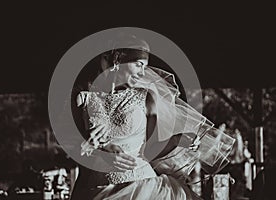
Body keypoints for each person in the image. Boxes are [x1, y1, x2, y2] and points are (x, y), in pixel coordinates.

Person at [71, 35, 235, 200]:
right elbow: (73, 149)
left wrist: (179, 139)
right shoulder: (83, 99)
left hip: (142, 188)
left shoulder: (146, 98)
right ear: (118, 59)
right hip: (94, 189)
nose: (142, 73)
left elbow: (150, 150)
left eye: (145, 67)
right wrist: (90, 146)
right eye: (138, 65)